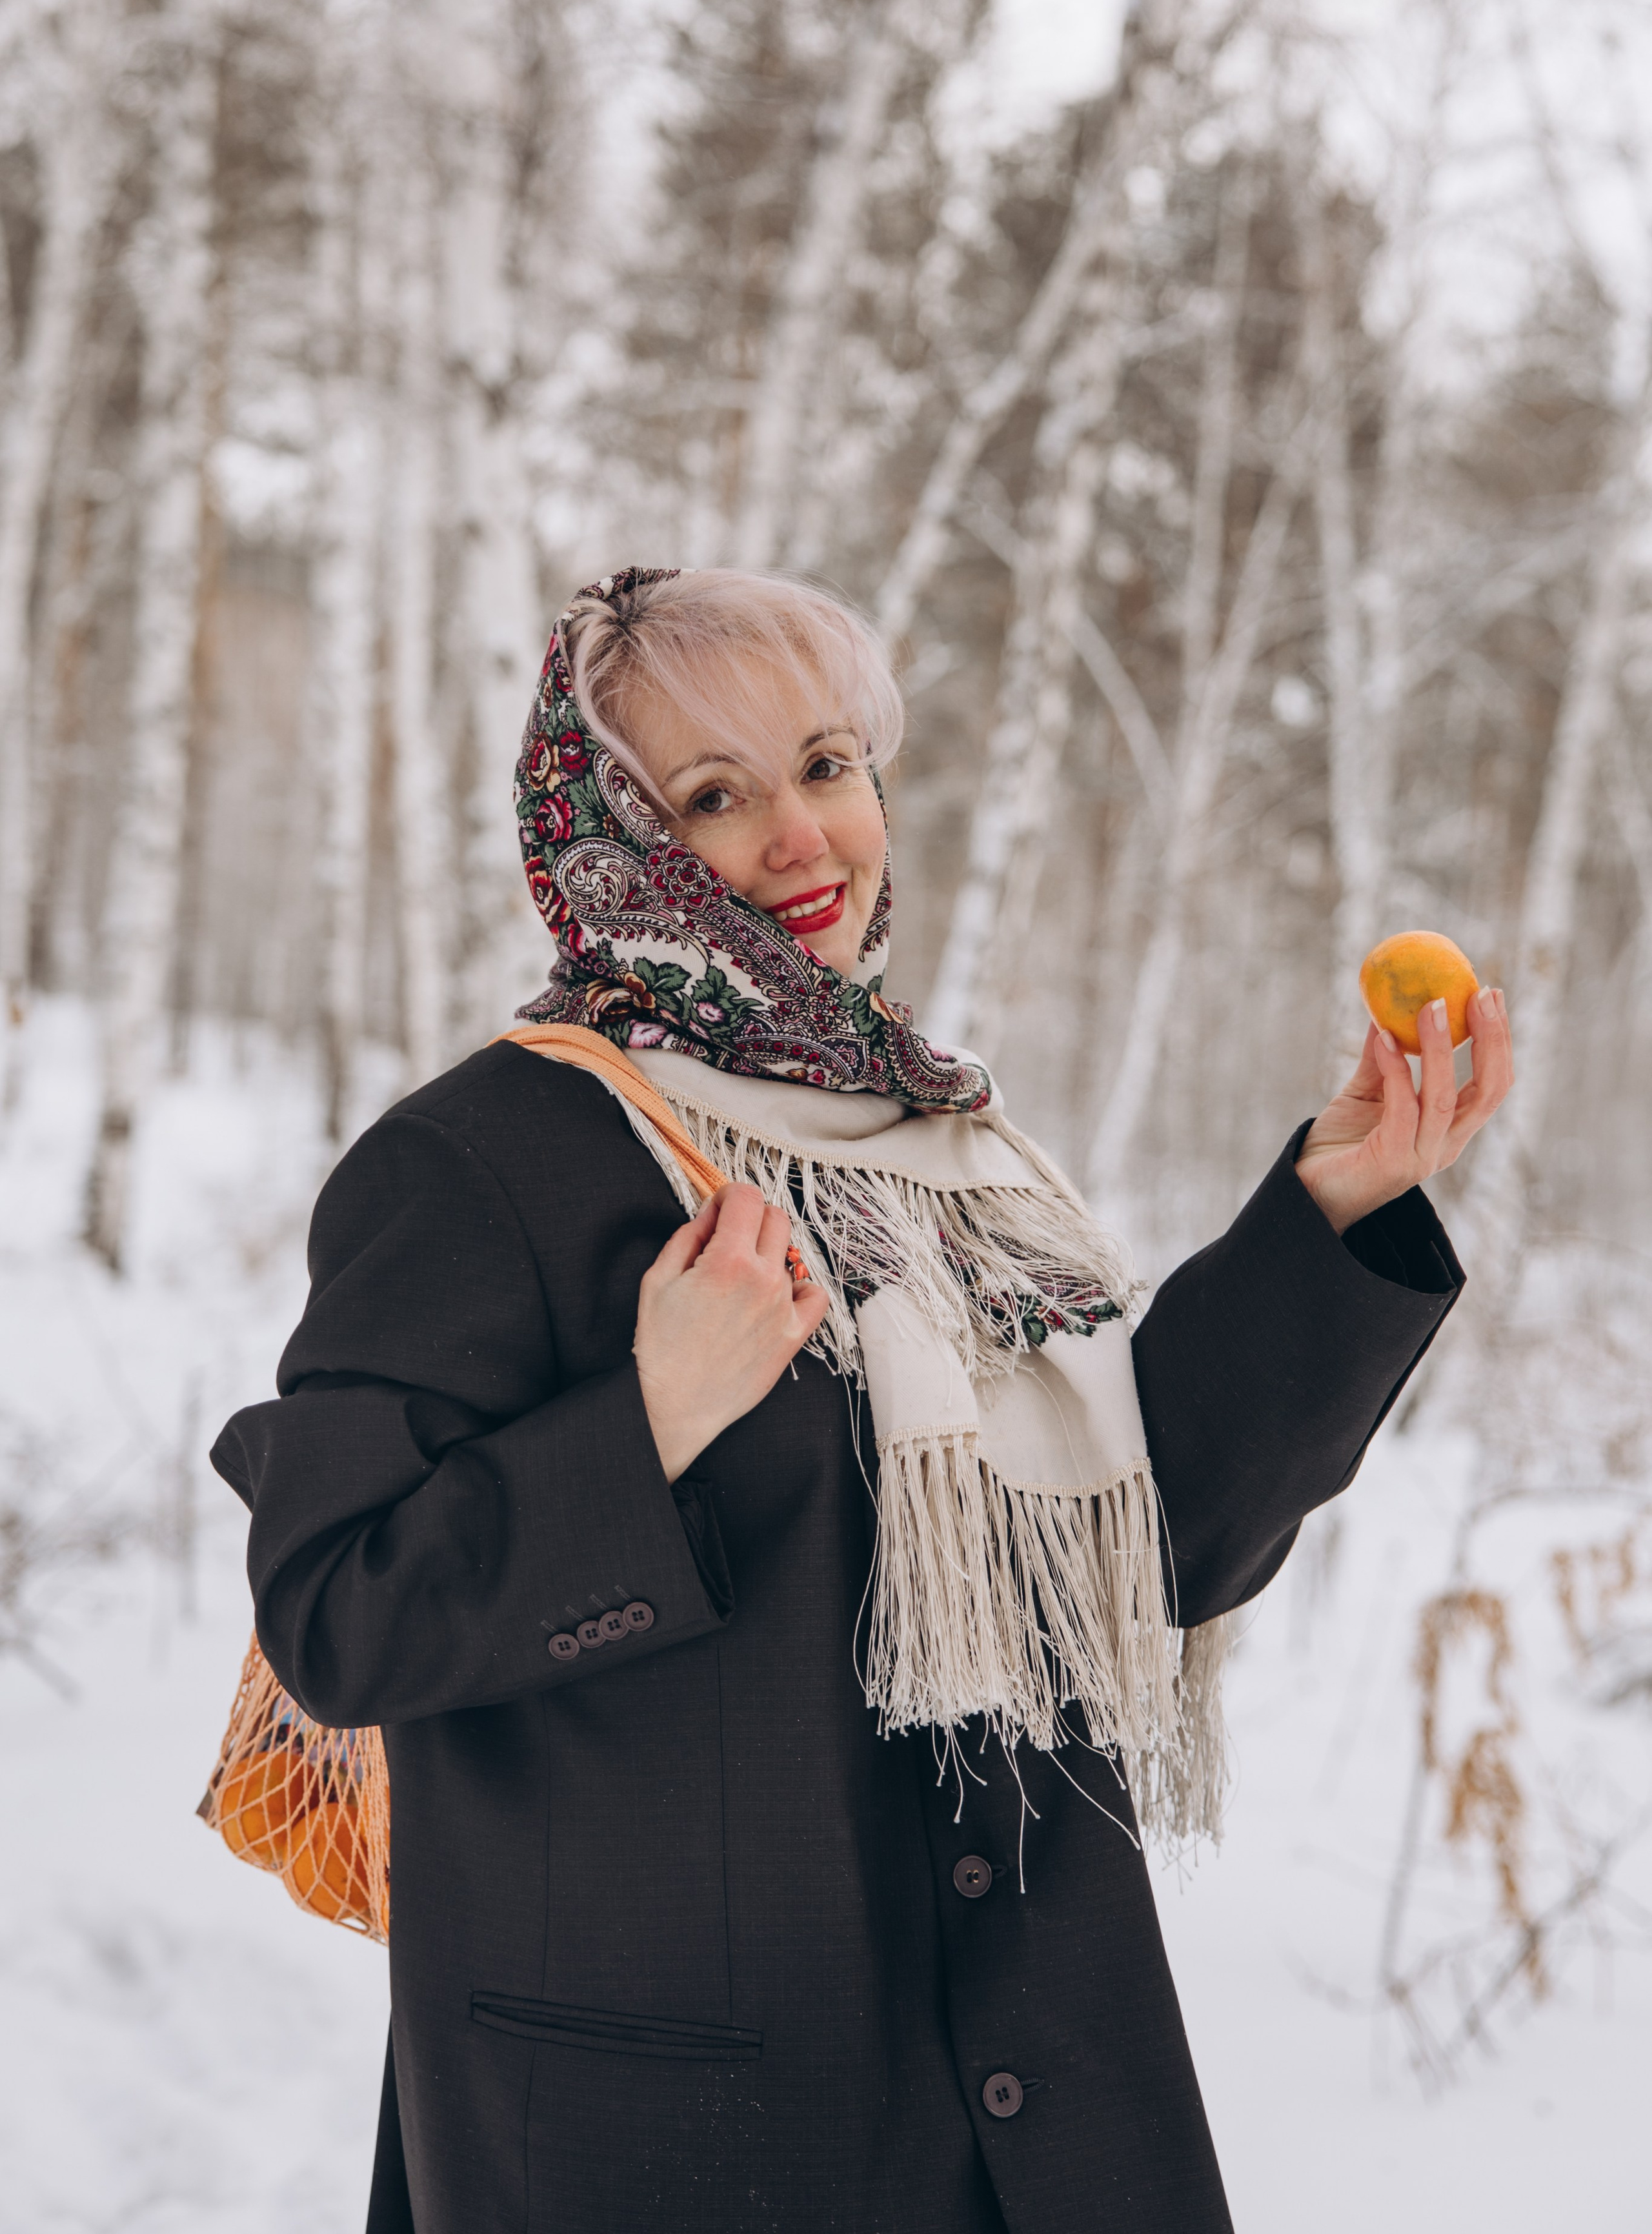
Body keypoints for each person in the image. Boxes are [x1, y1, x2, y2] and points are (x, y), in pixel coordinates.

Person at [212, 565, 1513, 2234]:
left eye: (826, 765)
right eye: (714, 795)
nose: (801, 837)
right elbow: (338, 1618)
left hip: (1022, 2122)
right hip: (664, 2146)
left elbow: (1143, 1547)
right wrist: (648, 1423)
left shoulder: (949, 1158)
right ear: (611, 838)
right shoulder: (481, 1168)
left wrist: (1337, 1207)